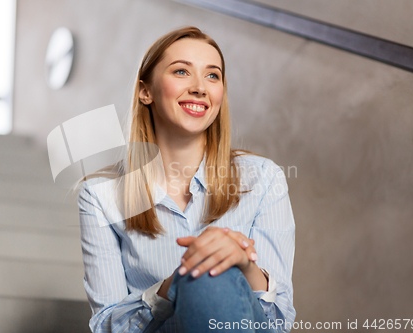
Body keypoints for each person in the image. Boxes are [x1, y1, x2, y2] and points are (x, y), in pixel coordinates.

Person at [78, 26, 296, 332]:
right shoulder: (100, 195)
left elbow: (278, 323)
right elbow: (107, 326)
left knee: (212, 273)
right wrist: (170, 287)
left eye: (212, 75)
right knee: (202, 273)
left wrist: (244, 265)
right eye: (181, 72)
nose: (199, 87)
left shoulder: (263, 178)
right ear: (146, 91)